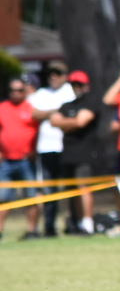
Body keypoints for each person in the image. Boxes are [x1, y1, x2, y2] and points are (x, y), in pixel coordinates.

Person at [51, 70, 109, 235]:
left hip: (85, 153)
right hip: (68, 154)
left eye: (79, 84)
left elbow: (81, 122)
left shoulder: (91, 102)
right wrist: (72, 122)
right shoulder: (67, 105)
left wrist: (66, 123)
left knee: (84, 189)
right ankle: (75, 222)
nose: (77, 87)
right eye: (74, 84)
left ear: (86, 85)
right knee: (71, 191)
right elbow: (54, 121)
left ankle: (87, 223)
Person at [27, 62, 73, 237]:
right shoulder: (41, 94)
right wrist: (58, 111)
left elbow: (73, 111)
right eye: (51, 73)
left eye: (58, 73)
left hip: (67, 148)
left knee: (70, 189)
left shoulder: (69, 90)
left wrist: (49, 113)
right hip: (45, 149)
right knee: (48, 190)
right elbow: (33, 113)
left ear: (65, 75)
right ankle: (49, 226)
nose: (53, 76)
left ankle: (72, 224)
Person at [0, 75, 42, 242]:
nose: (16, 93)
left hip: (27, 161)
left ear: (25, 91)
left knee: (31, 197)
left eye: (20, 90)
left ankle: (32, 231)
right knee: (3, 198)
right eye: (13, 90)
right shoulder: (2, 108)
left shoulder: (32, 108)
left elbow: (44, 127)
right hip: (6, 162)